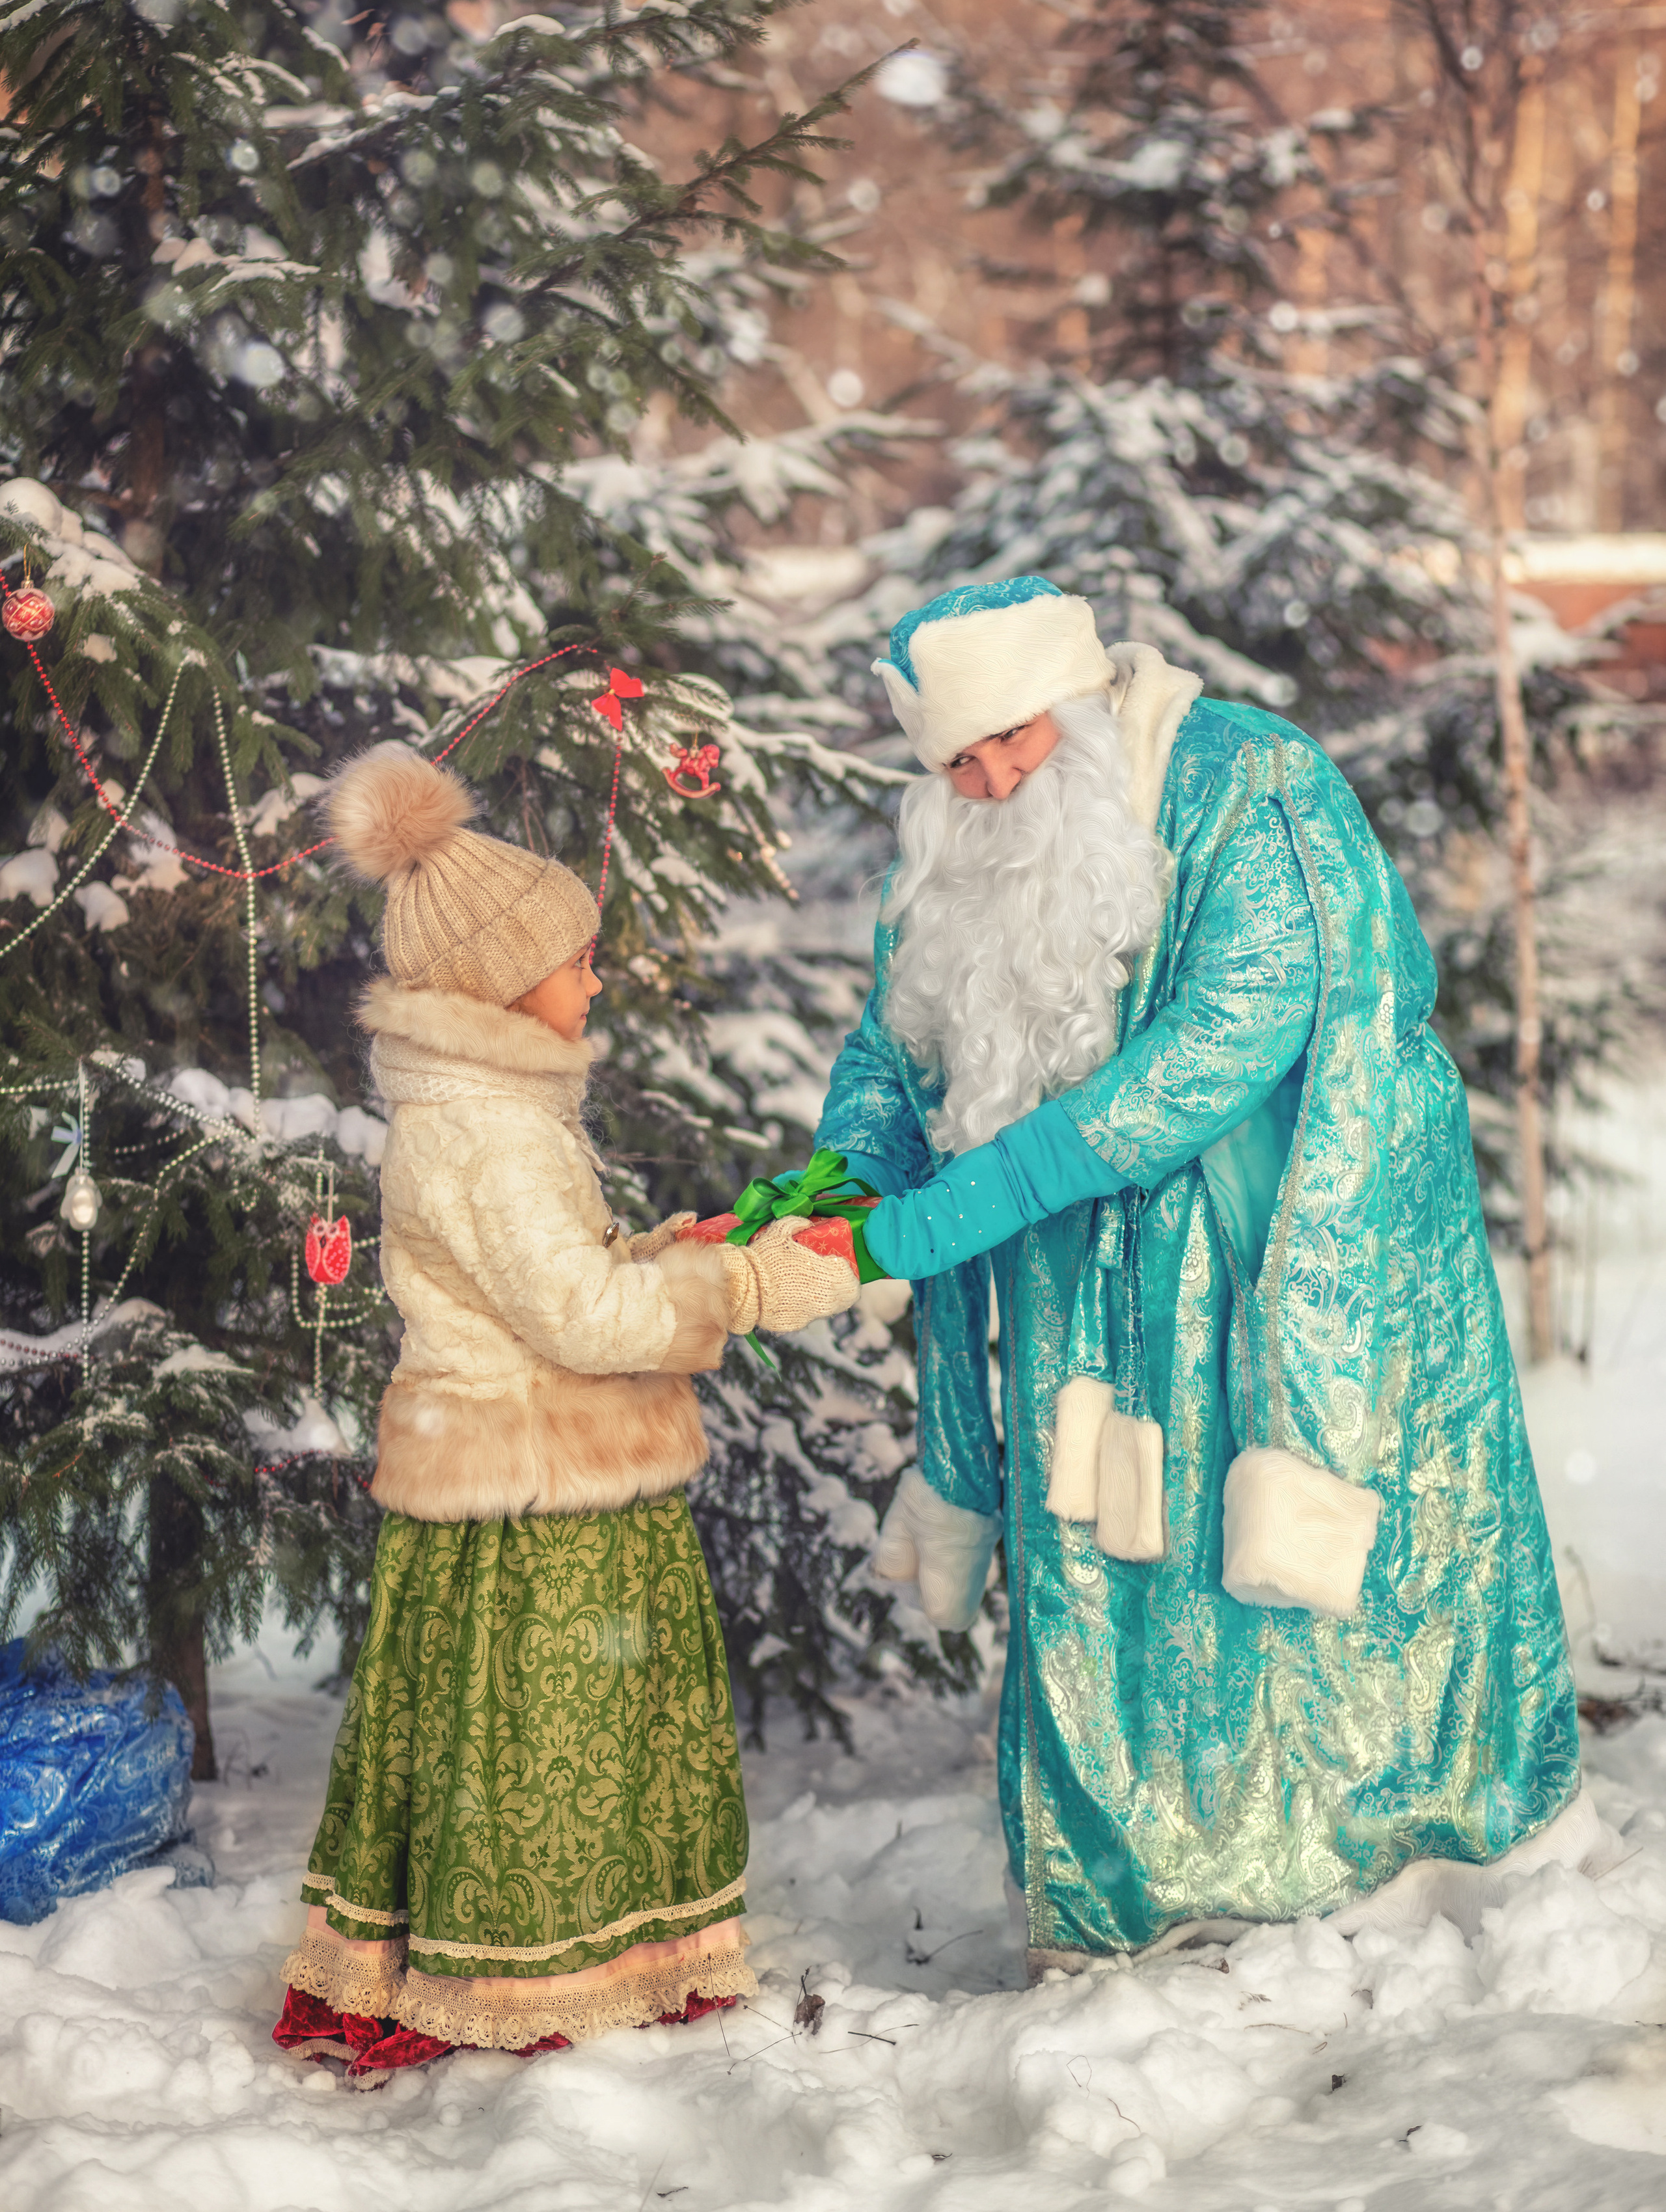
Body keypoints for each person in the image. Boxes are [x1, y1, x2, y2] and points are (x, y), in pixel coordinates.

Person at [814, 574, 1592, 1972]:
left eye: (1011, 741)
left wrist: (965, 1205)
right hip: (1072, 1287)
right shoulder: (952, 847)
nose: (987, 779)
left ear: (1074, 702)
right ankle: (1130, 1873)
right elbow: (896, 1041)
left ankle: (1366, 1861)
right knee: (1111, 1575)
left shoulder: (1249, 782)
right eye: (955, 759)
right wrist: (853, 1175)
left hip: (1256, 1262)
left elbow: (1223, 1042)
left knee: (1265, 1579)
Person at [273, 743, 856, 2082]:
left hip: (524, 1459)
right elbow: (577, 1322)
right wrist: (748, 1284)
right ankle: (536, 1965)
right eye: (578, 956)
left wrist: (663, 1251)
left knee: (543, 1732)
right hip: (539, 1487)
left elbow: (555, 1282)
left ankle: (572, 1948)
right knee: (547, 1734)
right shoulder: (491, 1129)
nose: (596, 978)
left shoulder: (486, 1110)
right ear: (496, 975)